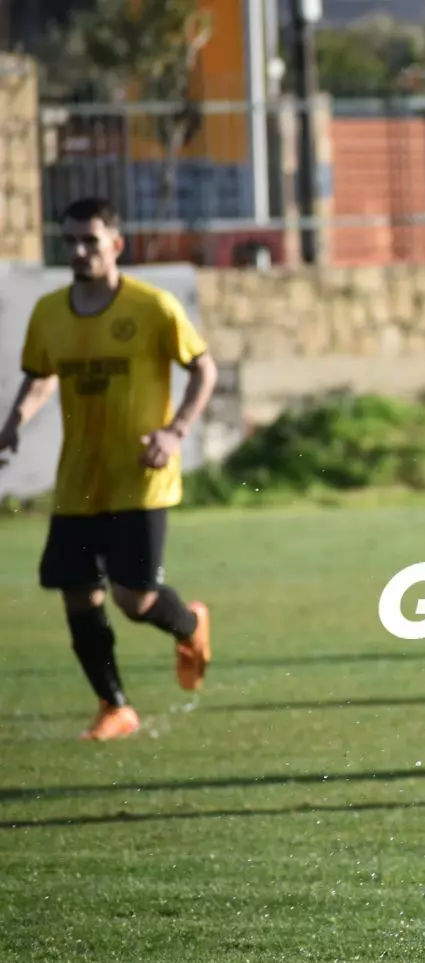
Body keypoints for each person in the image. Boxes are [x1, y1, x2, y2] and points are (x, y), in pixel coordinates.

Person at [0, 197, 215, 741]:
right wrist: (14, 423)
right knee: (77, 591)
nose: (79, 250)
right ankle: (114, 705)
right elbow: (41, 376)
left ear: (116, 244)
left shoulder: (152, 306)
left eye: (89, 240)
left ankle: (190, 625)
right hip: (79, 478)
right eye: (70, 240)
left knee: (134, 599)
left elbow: (203, 369)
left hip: (140, 476)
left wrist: (175, 432)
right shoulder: (50, 312)